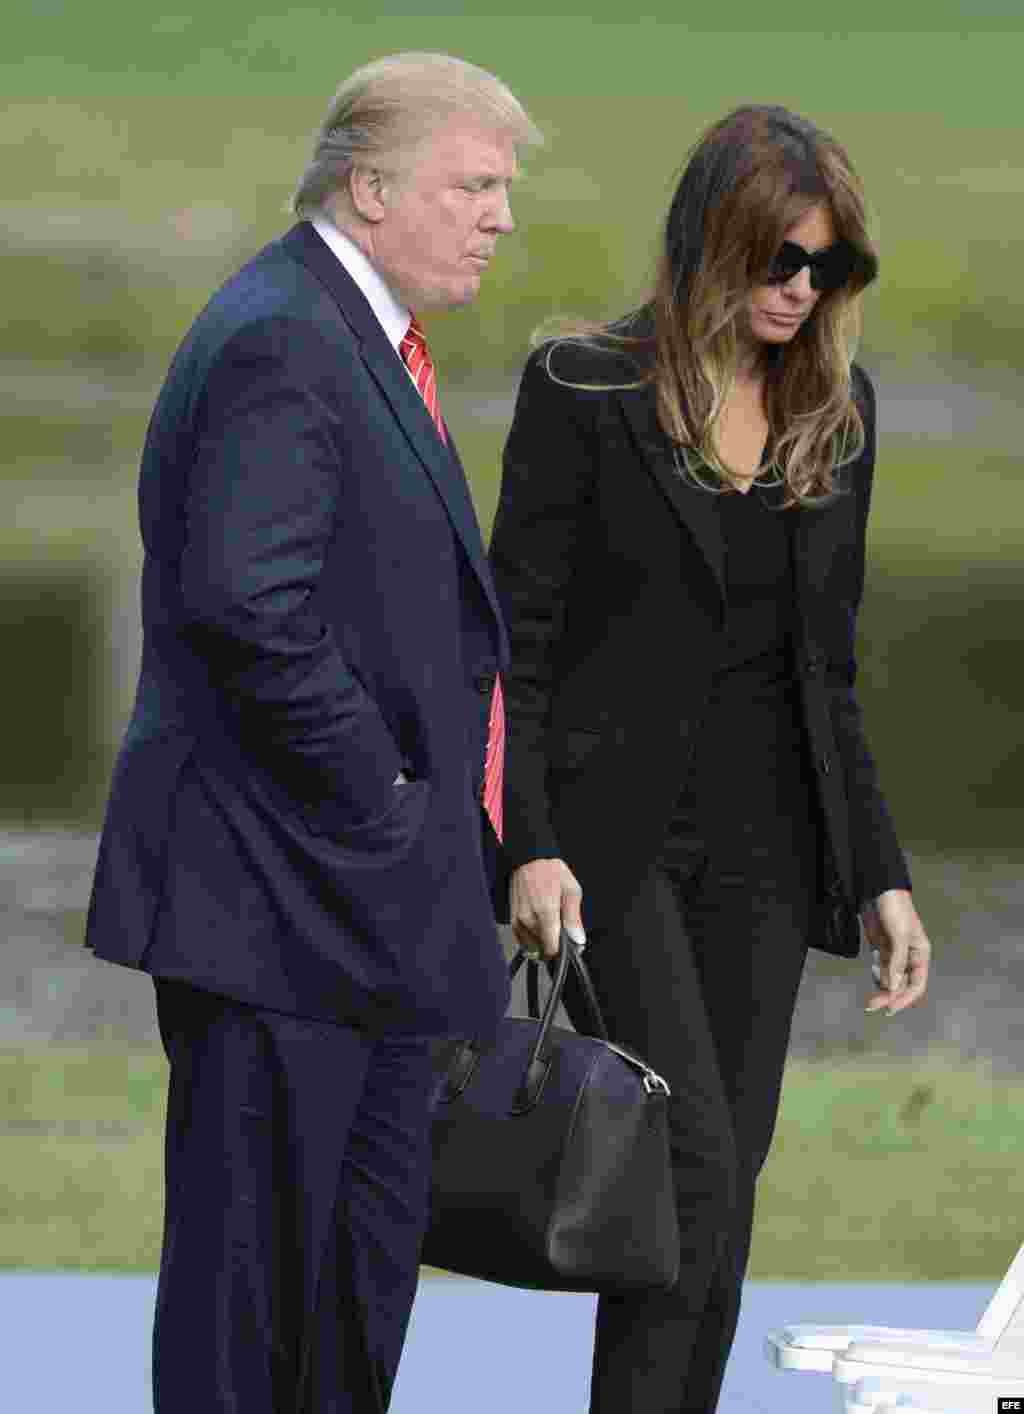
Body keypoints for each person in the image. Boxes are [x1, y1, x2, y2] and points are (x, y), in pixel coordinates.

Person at [84, 52, 540, 1413]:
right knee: (252, 1321)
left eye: (502, 189)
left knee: (346, 1306)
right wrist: (394, 798)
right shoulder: (285, 334)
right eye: (474, 184)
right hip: (281, 916)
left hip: (356, 925)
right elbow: (247, 607)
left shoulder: (360, 336)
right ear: (370, 183)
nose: (499, 215)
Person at [489, 104, 933, 1414]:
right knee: (683, 1160)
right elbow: (512, 640)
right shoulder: (584, 388)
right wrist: (526, 836)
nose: (801, 290)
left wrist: (881, 874)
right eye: (777, 258)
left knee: (718, 1191)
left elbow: (827, 676)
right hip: (610, 853)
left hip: (768, 861)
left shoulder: (837, 423)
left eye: (828, 267)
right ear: (709, 243)